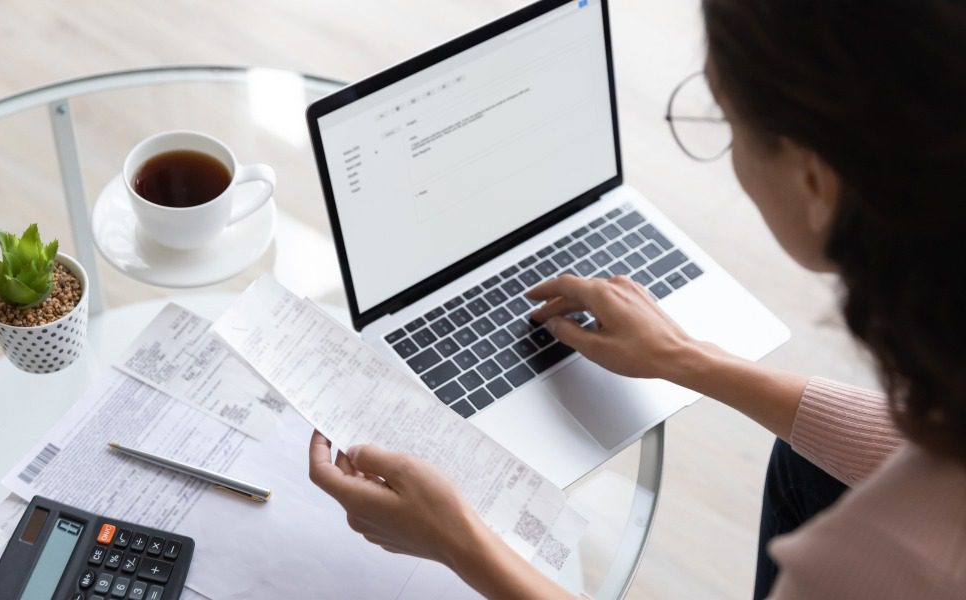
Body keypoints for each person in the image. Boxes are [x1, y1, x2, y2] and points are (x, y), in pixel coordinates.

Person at [308, 0, 966, 597]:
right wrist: (687, 358)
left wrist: (456, 539)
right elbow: (916, 440)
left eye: (728, 121)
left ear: (816, 180)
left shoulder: (861, 563)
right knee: (803, 461)